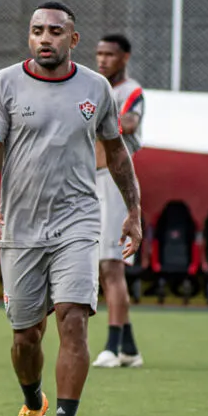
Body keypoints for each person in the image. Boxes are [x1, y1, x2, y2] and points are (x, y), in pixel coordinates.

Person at [0, 1, 142, 416]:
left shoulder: (96, 88)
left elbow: (118, 152)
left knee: (73, 318)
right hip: (21, 223)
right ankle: (33, 403)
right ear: (28, 37)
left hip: (78, 219)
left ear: (73, 39)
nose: (44, 38)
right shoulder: (4, 83)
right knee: (26, 335)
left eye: (54, 31)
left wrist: (134, 211)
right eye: (36, 31)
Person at [92, 34, 146, 369]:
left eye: (109, 54)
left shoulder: (130, 91)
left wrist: (88, 121)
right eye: (98, 54)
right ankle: (129, 348)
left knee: (111, 265)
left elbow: (128, 123)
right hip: (90, 180)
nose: (102, 60)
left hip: (113, 182)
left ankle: (112, 346)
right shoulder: (94, 86)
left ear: (124, 57)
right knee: (102, 265)